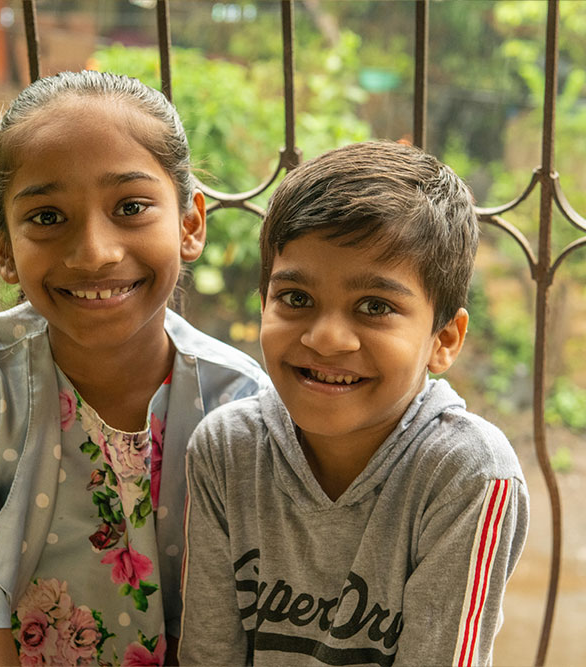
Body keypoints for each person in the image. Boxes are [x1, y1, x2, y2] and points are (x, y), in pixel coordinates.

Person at [0, 70, 266, 666]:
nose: (94, 251)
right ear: (3, 248)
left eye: (131, 206)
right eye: (46, 216)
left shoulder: (242, 402)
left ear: (190, 224)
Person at [179, 141, 529, 666]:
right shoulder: (227, 449)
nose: (326, 339)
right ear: (263, 304)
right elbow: (209, 655)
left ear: (445, 340)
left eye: (374, 306)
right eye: (296, 298)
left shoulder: (469, 476)